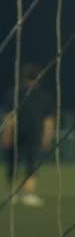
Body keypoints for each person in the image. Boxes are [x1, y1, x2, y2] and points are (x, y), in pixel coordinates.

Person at [2, 64, 54, 207]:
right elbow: (48, 121)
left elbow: (9, 117)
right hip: (34, 133)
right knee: (31, 163)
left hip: (16, 132)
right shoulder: (44, 96)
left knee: (13, 162)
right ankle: (28, 194)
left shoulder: (13, 93)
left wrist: (6, 134)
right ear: (39, 78)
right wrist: (47, 137)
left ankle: (11, 193)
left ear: (23, 77)